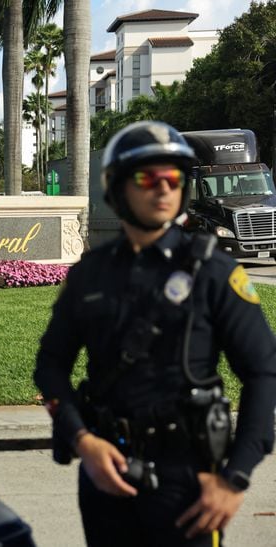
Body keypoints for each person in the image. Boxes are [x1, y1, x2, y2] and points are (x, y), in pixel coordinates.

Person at [33, 121, 276, 546]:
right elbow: (50, 365)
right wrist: (82, 440)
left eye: (173, 178)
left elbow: (263, 373)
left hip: (189, 479)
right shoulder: (89, 275)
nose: (163, 188)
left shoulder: (214, 272)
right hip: (106, 473)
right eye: (148, 178)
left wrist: (235, 477)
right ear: (117, 187)